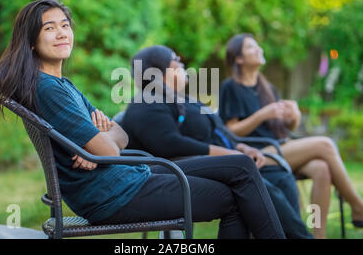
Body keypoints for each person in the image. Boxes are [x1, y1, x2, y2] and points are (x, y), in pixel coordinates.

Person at [0, 0, 285, 239]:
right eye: (49, 28)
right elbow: (107, 148)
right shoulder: (49, 89)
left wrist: (101, 143)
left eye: (65, 26)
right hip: (113, 194)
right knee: (238, 183)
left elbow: (119, 134)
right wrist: (101, 144)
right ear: (31, 41)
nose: (62, 33)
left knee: (239, 171)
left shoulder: (63, 85)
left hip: (126, 177)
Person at [121, 45, 313, 239]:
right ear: (159, 71)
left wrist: (240, 146)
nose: (182, 63)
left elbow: (219, 131)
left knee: (280, 176)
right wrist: (228, 155)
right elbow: (169, 143)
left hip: (224, 163)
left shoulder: (186, 100)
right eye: (176, 60)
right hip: (185, 171)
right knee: (261, 185)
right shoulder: (147, 103)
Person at [218, 33, 363, 238]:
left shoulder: (267, 87)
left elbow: (286, 127)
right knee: (325, 145)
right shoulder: (231, 87)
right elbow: (230, 130)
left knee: (322, 168)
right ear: (238, 58)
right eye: (251, 47)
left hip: (281, 145)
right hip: (258, 151)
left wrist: (294, 116)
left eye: (257, 46)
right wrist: (262, 115)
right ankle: (359, 208)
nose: (259, 49)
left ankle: (318, 234)